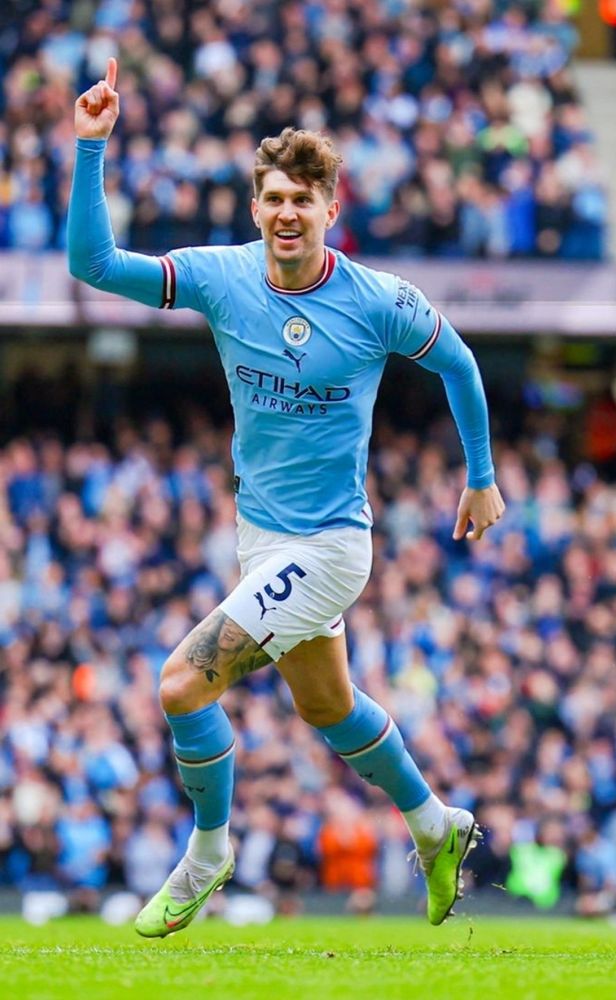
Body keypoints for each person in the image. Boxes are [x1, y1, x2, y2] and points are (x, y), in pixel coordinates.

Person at [68, 58, 505, 937]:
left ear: (330, 210)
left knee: (184, 683)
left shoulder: (379, 300)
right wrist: (90, 149)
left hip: (332, 545)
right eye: (273, 198)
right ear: (256, 206)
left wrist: (482, 476)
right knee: (327, 707)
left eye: (304, 199)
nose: (286, 213)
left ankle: (209, 851)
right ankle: (436, 824)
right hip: (260, 535)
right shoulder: (220, 276)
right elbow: (93, 263)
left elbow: (458, 361)